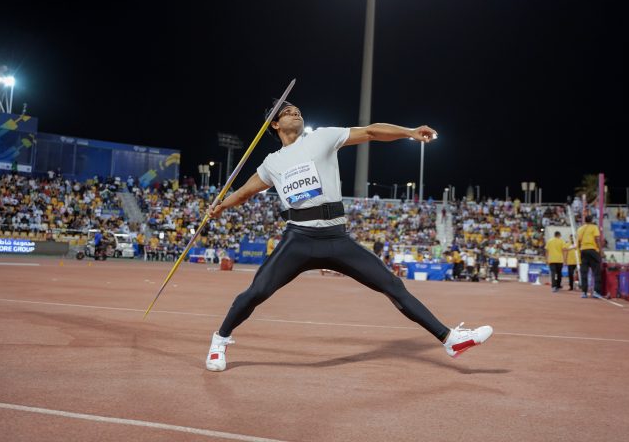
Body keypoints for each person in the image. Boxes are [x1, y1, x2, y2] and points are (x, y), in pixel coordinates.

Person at [204, 100, 493, 371]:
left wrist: (409, 133)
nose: (296, 113)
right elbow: (243, 193)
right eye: (288, 111)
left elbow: (370, 132)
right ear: (274, 125)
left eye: (297, 110)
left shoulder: (322, 138)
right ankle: (220, 340)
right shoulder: (271, 163)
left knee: (392, 285)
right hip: (299, 240)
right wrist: (219, 207)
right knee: (256, 292)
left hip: (336, 239)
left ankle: (450, 340)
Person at [577, 215, 603, 299]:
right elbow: (597, 239)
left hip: (583, 251)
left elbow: (579, 241)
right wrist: (601, 250)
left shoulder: (580, 229)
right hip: (592, 250)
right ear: (591, 220)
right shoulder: (594, 227)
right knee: (596, 272)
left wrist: (580, 251)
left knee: (584, 272)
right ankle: (596, 291)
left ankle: (584, 292)